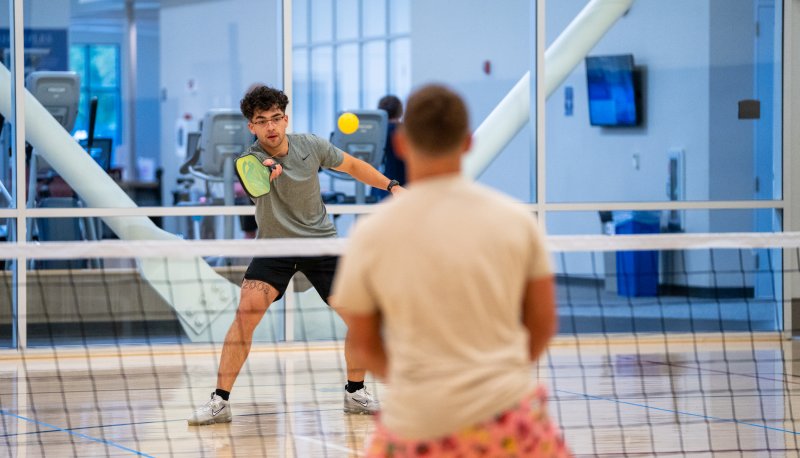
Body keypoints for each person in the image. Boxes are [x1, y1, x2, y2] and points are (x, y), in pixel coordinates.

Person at [332, 84, 571, 456]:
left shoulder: (372, 232)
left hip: (415, 423)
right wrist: (496, 376)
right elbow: (543, 322)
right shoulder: (516, 221)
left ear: (400, 144)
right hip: (509, 418)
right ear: (468, 142)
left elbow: (364, 338)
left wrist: (412, 383)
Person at [188, 85, 404, 426]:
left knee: (361, 317)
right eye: (262, 121)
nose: (271, 127)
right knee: (246, 313)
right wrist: (266, 174)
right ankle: (220, 400)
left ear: (285, 119)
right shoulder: (250, 159)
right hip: (275, 248)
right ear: (252, 127)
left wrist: (391, 186)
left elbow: (351, 166)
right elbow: (255, 186)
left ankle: (355, 392)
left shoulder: (311, 145)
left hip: (321, 244)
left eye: (276, 118)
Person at [371, 95, 405, 201]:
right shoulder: (407, 132)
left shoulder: (374, 133)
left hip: (380, 189)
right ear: (400, 112)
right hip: (404, 187)